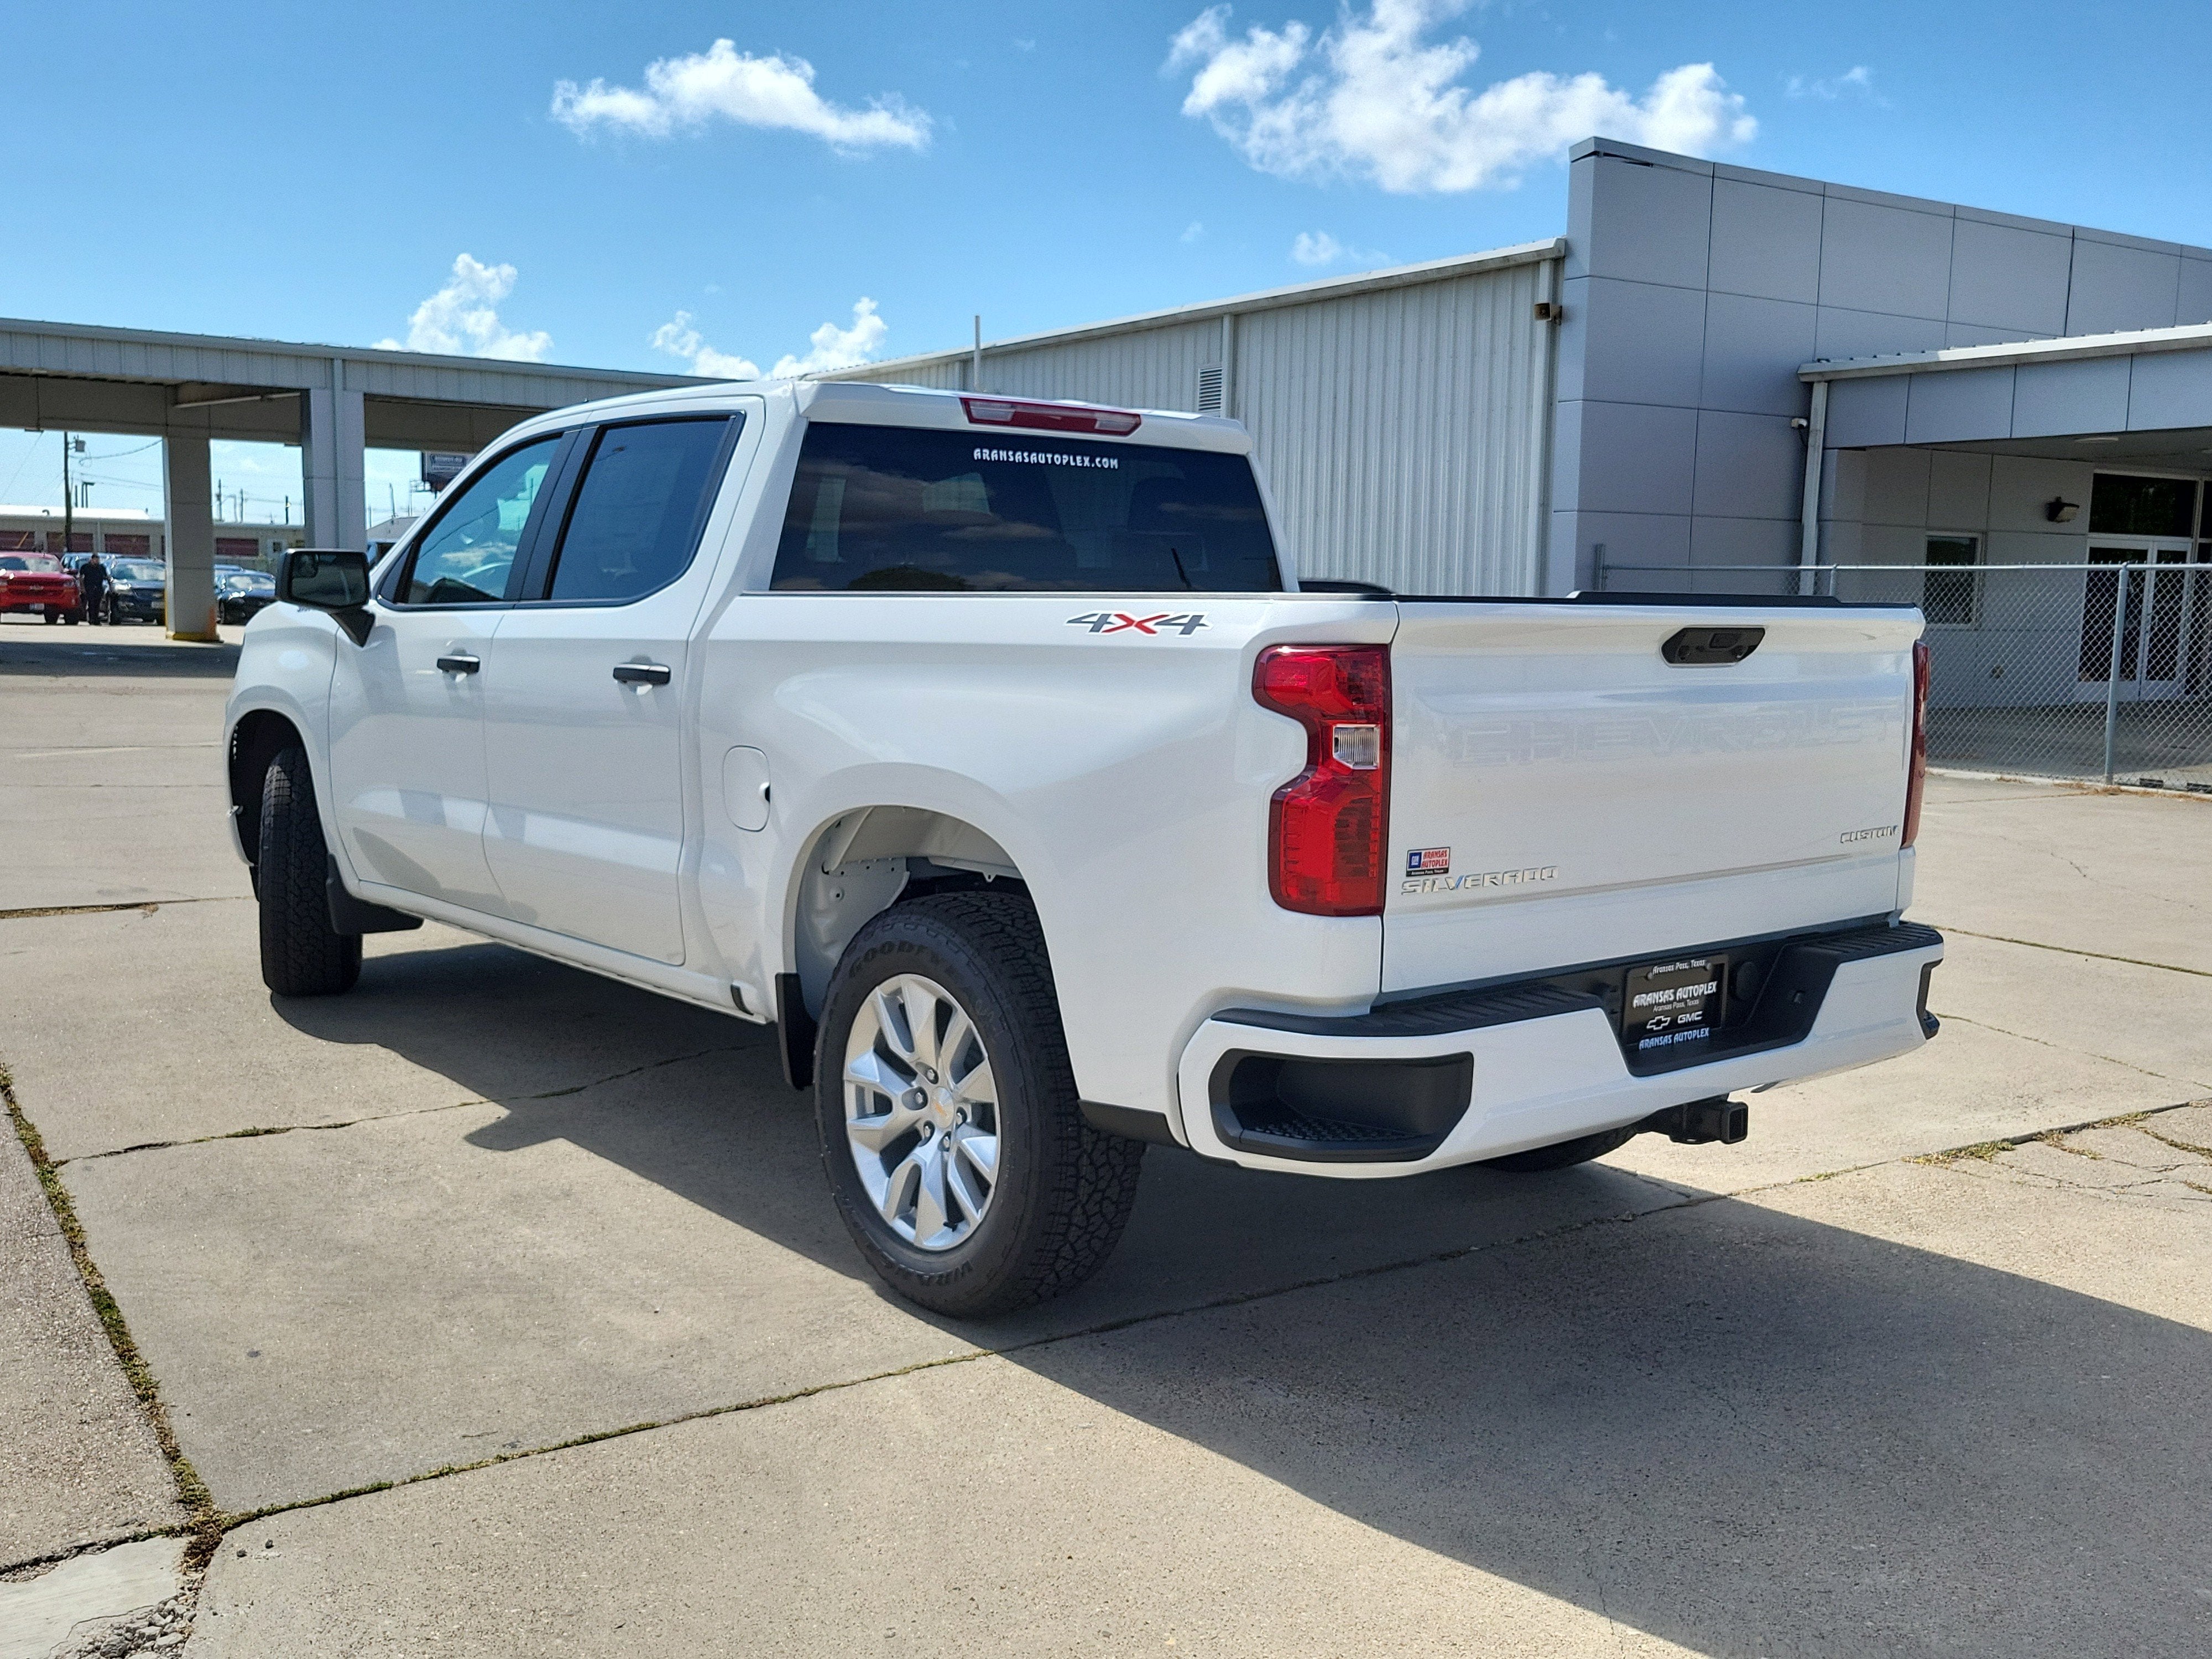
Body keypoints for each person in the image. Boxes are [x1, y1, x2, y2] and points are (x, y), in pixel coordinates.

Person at [76, 551, 110, 625]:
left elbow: (105, 576)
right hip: (89, 588)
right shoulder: (86, 567)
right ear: (92, 560)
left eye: (98, 559)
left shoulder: (101, 568)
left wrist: (108, 578)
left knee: (97, 605)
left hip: (99, 588)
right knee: (91, 604)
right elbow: (81, 577)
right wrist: (82, 588)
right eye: (95, 559)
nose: (97, 561)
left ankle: (96, 619)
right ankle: (91, 619)